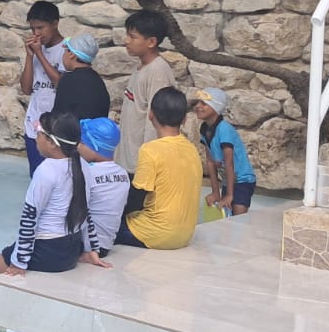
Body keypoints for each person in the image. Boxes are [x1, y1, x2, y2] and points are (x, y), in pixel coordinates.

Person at [0, 112, 109, 279]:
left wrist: (19, 261)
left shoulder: (47, 170)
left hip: (47, 251)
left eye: (39, 132)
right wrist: (91, 249)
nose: (35, 138)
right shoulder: (83, 164)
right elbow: (85, 211)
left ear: (52, 143)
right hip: (71, 249)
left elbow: (30, 216)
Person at [114, 88, 202, 250]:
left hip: (155, 233)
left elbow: (137, 197)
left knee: (99, 224)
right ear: (184, 119)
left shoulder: (150, 150)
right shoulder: (192, 149)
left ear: (151, 114)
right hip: (185, 235)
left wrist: (115, 213)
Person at [117, 9, 176, 175]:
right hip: (128, 161)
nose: (126, 41)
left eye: (133, 37)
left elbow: (156, 121)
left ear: (151, 42)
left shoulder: (158, 72)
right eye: (127, 35)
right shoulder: (141, 68)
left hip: (142, 166)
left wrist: (147, 165)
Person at [193, 87, 257, 216]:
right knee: (226, 214)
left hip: (243, 180)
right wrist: (215, 192)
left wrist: (229, 194)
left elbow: (229, 162)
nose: (198, 106)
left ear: (216, 108)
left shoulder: (224, 129)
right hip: (228, 180)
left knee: (238, 217)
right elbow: (210, 162)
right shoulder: (204, 129)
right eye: (198, 102)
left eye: (204, 103)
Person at [20, 0, 67, 175]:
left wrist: (39, 54)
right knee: (37, 176)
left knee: (58, 178)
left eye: (41, 28)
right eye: (33, 29)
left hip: (57, 129)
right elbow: (26, 89)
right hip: (34, 127)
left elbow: (62, 85)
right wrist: (29, 56)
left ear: (55, 23)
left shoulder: (67, 50)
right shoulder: (35, 50)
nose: (36, 33)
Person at [76, 117, 131, 256]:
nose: (78, 147)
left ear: (95, 146)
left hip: (85, 246)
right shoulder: (123, 174)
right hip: (105, 246)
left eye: (82, 143)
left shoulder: (87, 172)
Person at [52, 32, 110, 123]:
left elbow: (58, 115)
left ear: (71, 54)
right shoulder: (97, 80)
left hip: (75, 131)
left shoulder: (68, 80)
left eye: (65, 50)